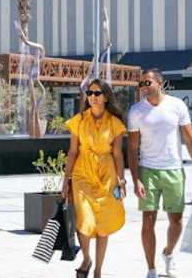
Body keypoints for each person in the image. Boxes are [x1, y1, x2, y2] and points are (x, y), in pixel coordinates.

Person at [128, 68, 192, 278]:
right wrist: (136, 180)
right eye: (141, 84)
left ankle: (168, 252)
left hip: (174, 170)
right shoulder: (136, 111)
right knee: (148, 220)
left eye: (147, 82)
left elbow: (190, 140)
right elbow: (132, 148)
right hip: (148, 170)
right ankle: (151, 269)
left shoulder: (177, 105)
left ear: (160, 83)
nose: (144, 87)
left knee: (176, 221)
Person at [61, 79, 127, 278]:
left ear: (106, 97)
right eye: (89, 93)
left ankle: (98, 271)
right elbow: (72, 152)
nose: (92, 97)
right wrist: (66, 180)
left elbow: (118, 154)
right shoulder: (79, 120)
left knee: (103, 224)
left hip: (107, 175)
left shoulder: (115, 123)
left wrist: (122, 180)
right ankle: (86, 258)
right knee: (84, 219)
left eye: (97, 93)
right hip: (82, 173)